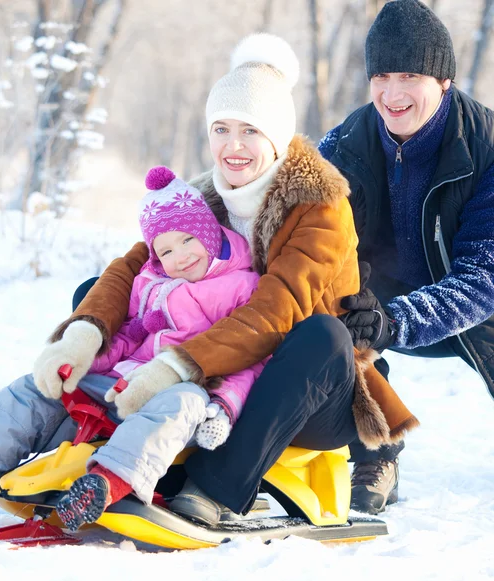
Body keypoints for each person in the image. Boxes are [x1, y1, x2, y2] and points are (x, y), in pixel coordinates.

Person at [60, 32, 419, 527]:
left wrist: (176, 365)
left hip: (306, 390)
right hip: (218, 375)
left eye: (249, 130)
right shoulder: (204, 195)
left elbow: (277, 311)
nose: (233, 146)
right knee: (99, 296)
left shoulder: (320, 205)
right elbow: (136, 265)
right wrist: (84, 330)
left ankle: (215, 486)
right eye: (221, 129)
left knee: (321, 335)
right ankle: (97, 445)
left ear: (275, 138)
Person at [0, 166, 265, 532]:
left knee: (182, 402)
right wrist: (85, 362)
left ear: (209, 233)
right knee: (34, 392)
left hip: (181, 388)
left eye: (188, 240)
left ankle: (108, 483)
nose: (180, 256)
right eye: (166, 250)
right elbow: (128, 335)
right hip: (119, 385)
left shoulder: (240, 287)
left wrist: (225, 406)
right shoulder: (151, 280)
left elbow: (246, 355)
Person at [318, 0, 494, 515]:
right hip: (373, 300)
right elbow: (307, 244)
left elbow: (485, 276)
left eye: (411, 75)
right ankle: (376, 453)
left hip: (474, 308)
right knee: (316, 314)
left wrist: (397, 321)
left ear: (443, 81)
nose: (393, 94)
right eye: (382, 75)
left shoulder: (486, 148)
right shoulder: (343, 146)